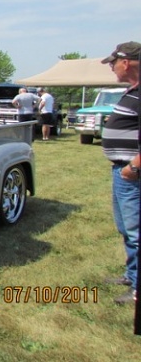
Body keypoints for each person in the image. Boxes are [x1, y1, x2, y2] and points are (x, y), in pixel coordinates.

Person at [100, 41, 141, 304]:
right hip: (123, 170)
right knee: (126, 228)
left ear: (125, 61)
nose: (112, 68)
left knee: (136, 230)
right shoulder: (133, 92)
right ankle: (132, 275)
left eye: (113, 63)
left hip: (132, 173)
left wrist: (134, 166)